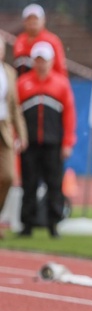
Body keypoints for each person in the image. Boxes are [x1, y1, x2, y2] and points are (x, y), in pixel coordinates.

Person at [17, 41, 76, 237]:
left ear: (52, 61)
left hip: (53, 143)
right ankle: (27, 224)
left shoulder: (61, 84)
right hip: (30, 143)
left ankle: (53, 223)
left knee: (54, 184)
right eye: (38, 60)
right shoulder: (23, 83)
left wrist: (68, 141)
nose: (41, 64)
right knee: (29, 184)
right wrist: (18, 137)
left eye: (45, 60)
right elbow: (15, 113)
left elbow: (69, 115)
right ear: (33, 61)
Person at [0, 41, 27, 236]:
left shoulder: (9, 72)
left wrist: (22, 133)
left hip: (4, 130)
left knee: (8, 176)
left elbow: (15, 106)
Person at [13, 4, 68, 77]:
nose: (32, 21)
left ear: (43, 20)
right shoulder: (20, 40)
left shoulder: (52, 40)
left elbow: (60, 68)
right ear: (24, 22)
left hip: (46, 85)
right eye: (29, 19)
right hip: (24, 85)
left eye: (35, 18)